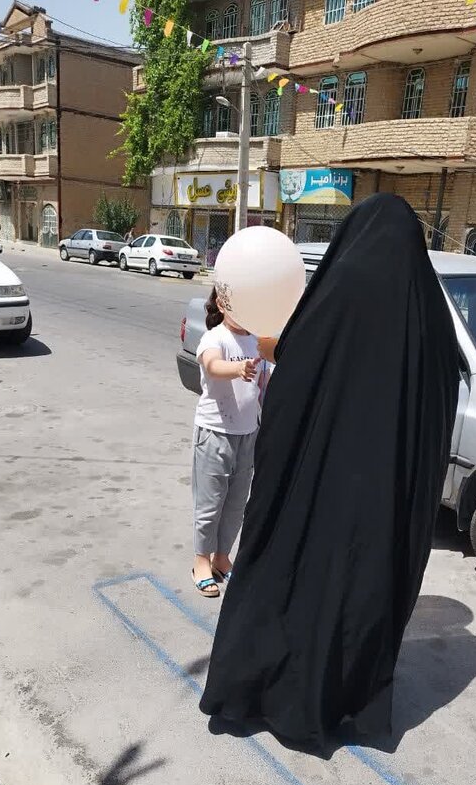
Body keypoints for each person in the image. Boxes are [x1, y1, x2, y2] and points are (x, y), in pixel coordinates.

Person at [199, 193, 460, 750]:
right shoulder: (430, 314)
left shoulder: (340, 291)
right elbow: (438, 411)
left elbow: (296, 374)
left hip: (318, 485)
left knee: (294, 573)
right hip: (382, 495)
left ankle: (264, 691)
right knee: (357, 589)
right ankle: (340, 700)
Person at [192, 288, 261, 598]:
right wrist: (238, 368)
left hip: (247, 434)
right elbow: (212, 365)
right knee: (210, 505)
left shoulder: (257, 340)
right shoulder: (215, 337)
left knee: (235, 506)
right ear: (221, 303)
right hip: (214, 433)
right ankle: (201, 562)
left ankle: (222, 558)